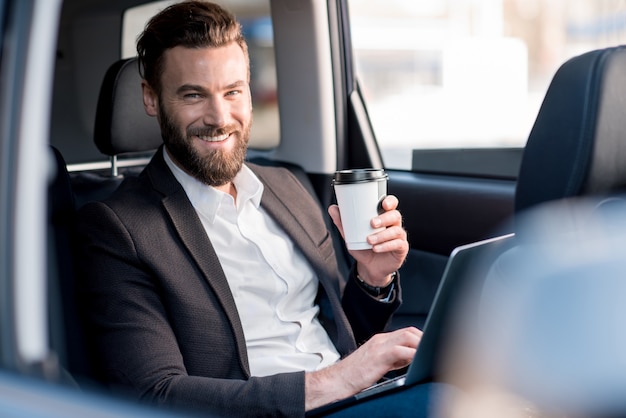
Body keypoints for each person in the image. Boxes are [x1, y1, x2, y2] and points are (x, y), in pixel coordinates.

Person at [76, 1, 442, 416]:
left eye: (233, 91)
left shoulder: (287, 186)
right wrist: (336, 380)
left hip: (354, 399)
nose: (219, 117)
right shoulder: (117, 228)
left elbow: (340, 338)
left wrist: (373, 278)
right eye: (194, 95)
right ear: (151, 98)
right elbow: (155, 395)